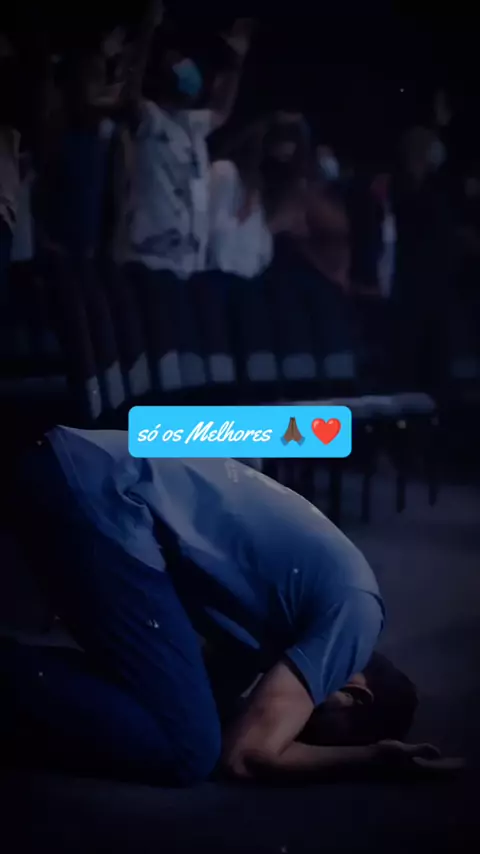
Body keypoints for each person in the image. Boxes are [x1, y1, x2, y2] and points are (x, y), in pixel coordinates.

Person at [1, 426, 459, 786]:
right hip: (103, 493)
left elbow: (207, 697)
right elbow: (245, 755)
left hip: (83, 471)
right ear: (354, 694)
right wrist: (372, 757)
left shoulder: (285, 618)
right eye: (317, 730)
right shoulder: (356, 615)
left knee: (181, 713)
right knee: (188, 750)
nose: (299, 733)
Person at [114, 12, 254, 279]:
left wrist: (236, 60)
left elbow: (222, 109)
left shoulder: (192, 125)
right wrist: (148, 28)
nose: (185, 68)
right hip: (144, 263)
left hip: (187, 269)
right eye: (175, 63)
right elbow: (131, 93)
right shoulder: (150, 119)